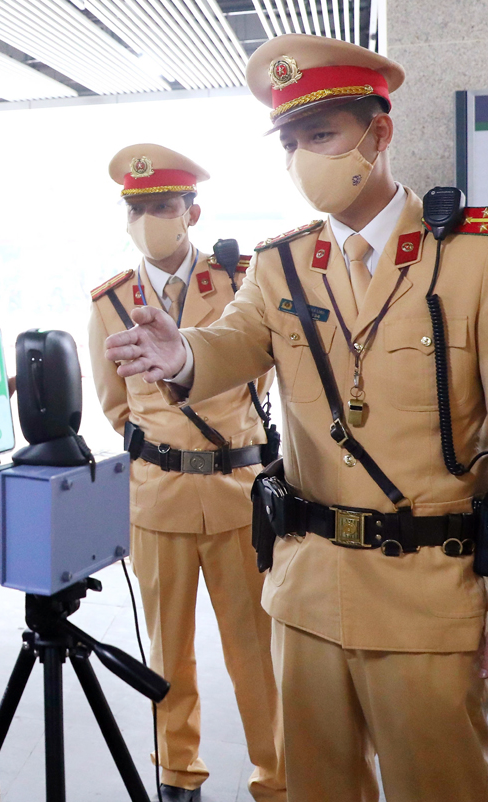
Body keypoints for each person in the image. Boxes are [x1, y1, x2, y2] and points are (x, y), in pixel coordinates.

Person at [104, 35, 488, 802]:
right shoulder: (282, 264)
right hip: (306, 596)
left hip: (426, 599)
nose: (301, 158)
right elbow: (233, 341)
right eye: (290, 143)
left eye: (319, 134)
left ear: (378, 133)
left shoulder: (478, 254)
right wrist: (181, 352)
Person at [87, 145, 284, 802]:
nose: (150, 220)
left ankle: (276, 777)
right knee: (167, 652)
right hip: (158, 500)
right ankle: (177, 775)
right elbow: (116, 408)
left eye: (163, 206)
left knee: (255, 651)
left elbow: (264, 375)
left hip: (237, 495)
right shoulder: (111, 302)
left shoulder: (240, 281)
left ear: (192, 212)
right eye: (137, 209)